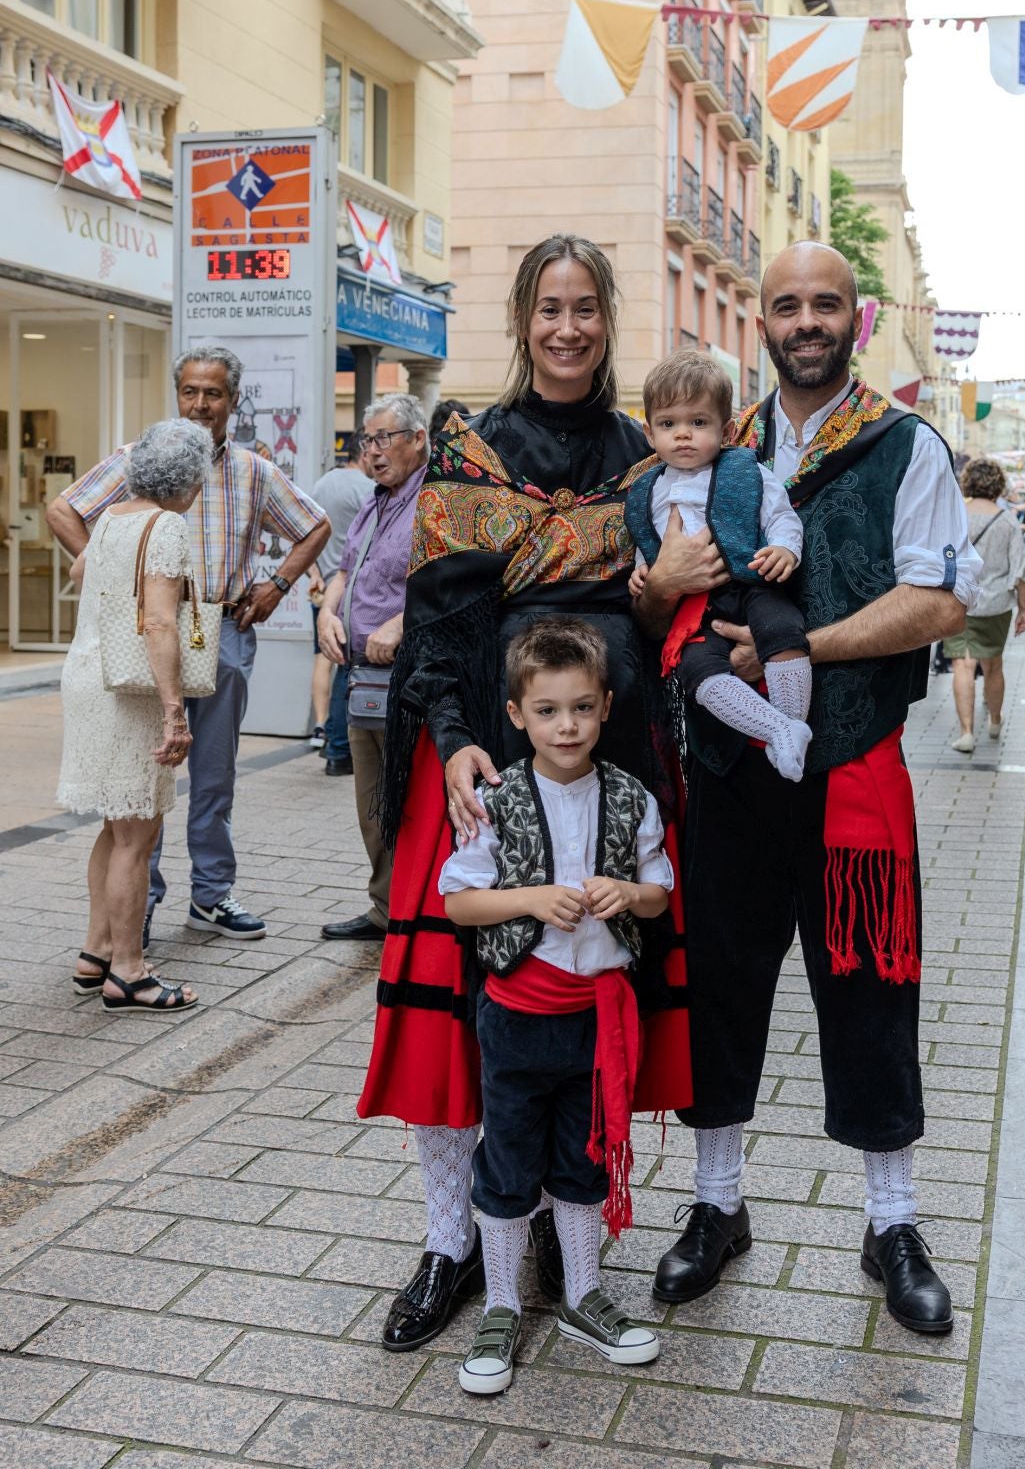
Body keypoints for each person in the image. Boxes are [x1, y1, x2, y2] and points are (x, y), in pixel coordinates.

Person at [636, 242, 979, 1336]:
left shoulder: (901, 442)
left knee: (867, 986)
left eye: (823, 304)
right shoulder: (707, 444)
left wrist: (802, 652)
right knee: (723, 983)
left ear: (855, 318)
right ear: (762, 320)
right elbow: (651, 600)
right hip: (730, 766)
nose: (804, 321)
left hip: (850, 762)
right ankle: (716, 1204)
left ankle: (890, 1222)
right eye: (785, 304)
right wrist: (659, 594)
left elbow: (933, 606)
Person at [356, 235, 690, 1355]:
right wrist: (451, 740)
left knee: (577, 991)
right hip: (481, 761)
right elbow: (443, 613)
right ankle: (450, 1241)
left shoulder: (645, 453)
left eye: (584, 307)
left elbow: (664, 620)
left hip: (608, 760)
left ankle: (556, 1223)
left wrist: (653, 605)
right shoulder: (470, 444)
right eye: (547, 307)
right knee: (451, 1024)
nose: (565, 328)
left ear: (606, 318)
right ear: (520, 317)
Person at [441, 619, 668, 1394]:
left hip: (597, 1024)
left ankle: (581, 1295)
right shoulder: (496, 800)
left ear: (605, 706)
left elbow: (661, 894)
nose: (565, 725)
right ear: (516, 715)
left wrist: (629, 894)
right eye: (546, 710)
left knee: (584, 1159)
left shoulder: (631, 796)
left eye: (580, 707)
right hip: (516, 1018)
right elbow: (458, 903)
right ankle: (502, 1302)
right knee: (507, 1163)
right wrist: (533, 899)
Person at [47, 348, 330, 944]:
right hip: (147, 637)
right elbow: (61, 507)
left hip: (223, 630)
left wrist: (278, 586)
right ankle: (137, 906)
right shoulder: (139, 458)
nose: (201, 404)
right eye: (191, 392)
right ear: (177, 394)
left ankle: (212, 895)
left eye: (215, 393)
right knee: (143, 776)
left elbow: (315, 525)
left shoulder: (253, 470)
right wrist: (97, 565)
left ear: (233, 400)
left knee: (214, 773)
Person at [57, 420, 209, 1012]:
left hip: (88, 676)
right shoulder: (165, 525)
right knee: (137, 833)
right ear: (189, 479)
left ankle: (95, 952)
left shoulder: (115, 516)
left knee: (115, 824)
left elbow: (79, 573)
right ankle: (129, 970)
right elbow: (162, 622)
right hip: (130, 689)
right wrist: (175, 712)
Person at [625, 348, 811, 780]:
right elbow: (648, 539)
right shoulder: (647, 489)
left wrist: (785, 549)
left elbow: (781, 516)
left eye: (698, 422)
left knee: (784, 633)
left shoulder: (747, 472)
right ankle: (780, 730)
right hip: (697, 609)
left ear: (726, 430)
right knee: (697, 671)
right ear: (650, 434)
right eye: (669, 424)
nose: (683, 435)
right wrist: (642, 570)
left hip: (753, 582)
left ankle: (792, 725)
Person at [316, 395, 430, 941]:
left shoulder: (434, 500)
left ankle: (415, 914)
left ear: (418, 439)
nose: (374, 452)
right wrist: (326, 610)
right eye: (368, 441)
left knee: (410, 800)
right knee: (372, 804)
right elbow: (345, 568)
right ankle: (385, 909)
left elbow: (450, 585)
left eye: (385, 438)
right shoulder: (375, 500)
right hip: (362, 677)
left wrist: (401, 623)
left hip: (412, 677)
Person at [946, 458, 1025, 755]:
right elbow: (1020, 570)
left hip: (957, 601)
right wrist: (1023, 609)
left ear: (968, 482)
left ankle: (967, 732)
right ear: (998, 485)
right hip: (995, 604)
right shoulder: (1007, 520)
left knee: (962, 664)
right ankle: (995, 720)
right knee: (993, 665)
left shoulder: (956, 516)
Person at [305, 443, 375, 773]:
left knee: (324, 658)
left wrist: (314, 572)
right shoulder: (369, 489)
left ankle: (322, 728)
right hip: (350, 589)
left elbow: (306, 531)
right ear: (364, 453)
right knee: (347, 667)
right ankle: (337, 743)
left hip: (322, 587)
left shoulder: (321, 484)